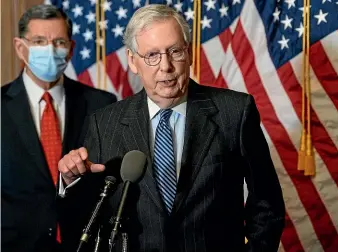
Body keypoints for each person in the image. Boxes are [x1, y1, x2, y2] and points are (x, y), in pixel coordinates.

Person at [58, 4, 285, 252]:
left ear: (188, 54)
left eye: (175, 51)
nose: (165, 66)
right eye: (152, 55)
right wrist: (70, 181)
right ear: (133, 62)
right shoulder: (103, 124)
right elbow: (87, 216)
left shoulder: (235, 112)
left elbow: (267, 203)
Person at [1, 4, 117, 252]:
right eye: (40, 41)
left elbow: (109, 182)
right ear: (20, 47)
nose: (50, 50)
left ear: (71, 49)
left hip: (82, 243)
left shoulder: (102, 104)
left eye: (59, 42)